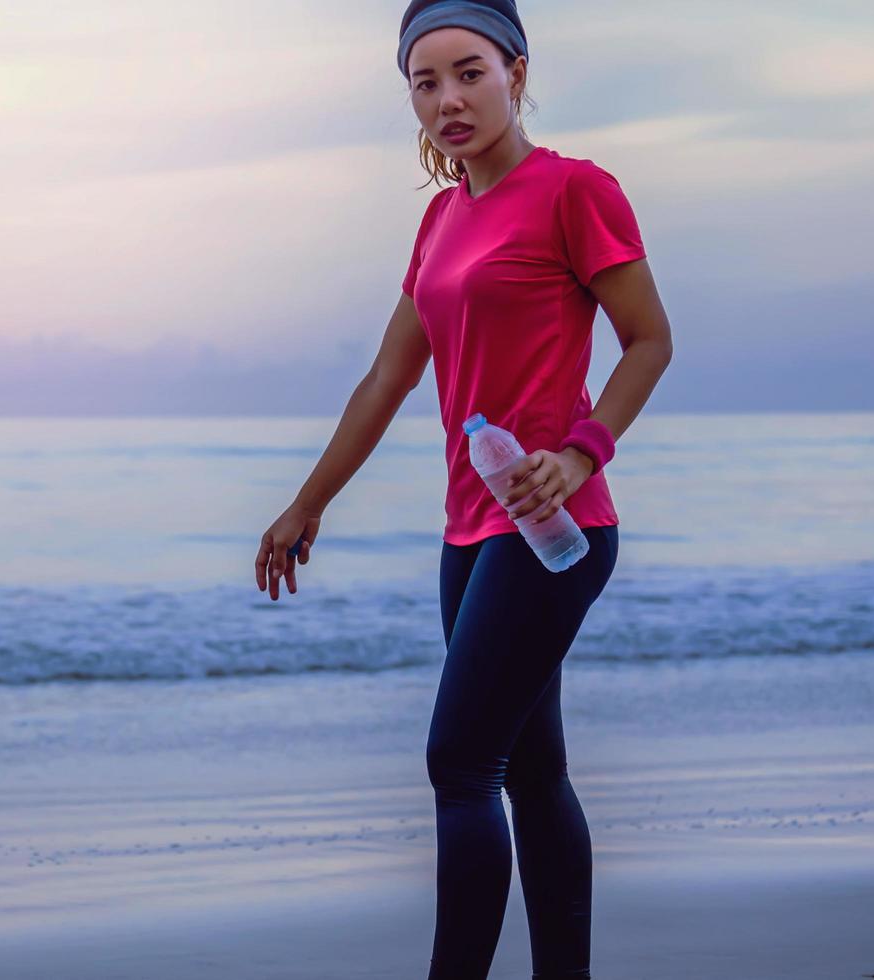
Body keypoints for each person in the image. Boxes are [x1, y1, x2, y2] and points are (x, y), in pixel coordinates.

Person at [253, 1, 675, 976]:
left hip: (552, 526)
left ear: (515, 72)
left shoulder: (575, 190)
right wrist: (307, 499)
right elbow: (387, 376)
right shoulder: (440, 217)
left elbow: (647, 338)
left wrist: (578, 451)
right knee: (529, 769)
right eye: (424, 80)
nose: (447, 98)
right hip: (466, 528)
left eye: (467, 72)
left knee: (457, 761)